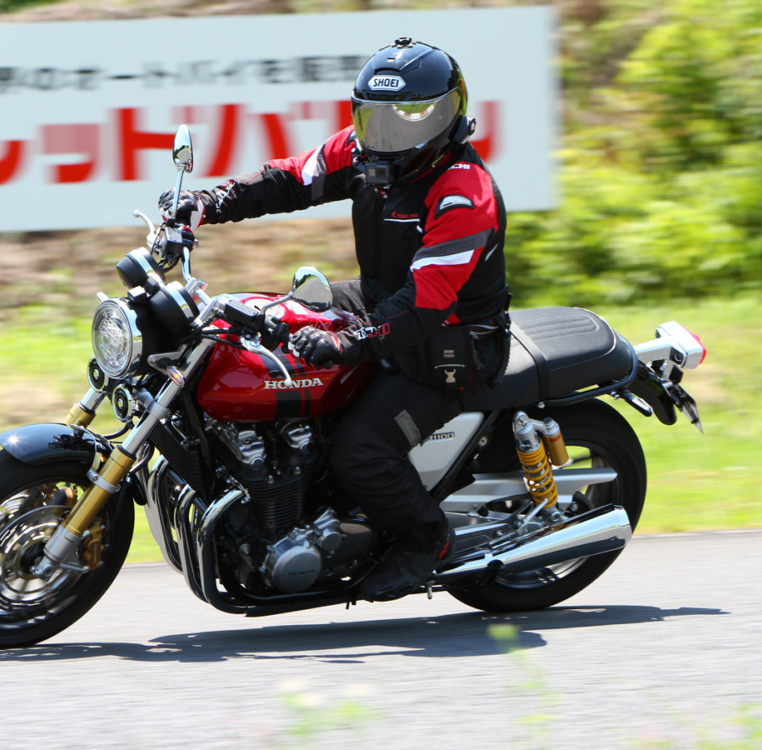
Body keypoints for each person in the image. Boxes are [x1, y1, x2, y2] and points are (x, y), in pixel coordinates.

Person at [160, 37, 510, 602]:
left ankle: (428, 541)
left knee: (360, 452)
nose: (389, 136)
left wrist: (349, 343)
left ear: (449, 114)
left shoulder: (462, 192)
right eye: (376, 119)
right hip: (378, 305)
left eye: (408, 121)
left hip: (449, 343)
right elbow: (290, 179)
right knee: (249, 321)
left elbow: (425, 303)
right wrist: (210, 202)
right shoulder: (365, 152)